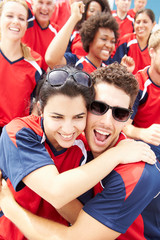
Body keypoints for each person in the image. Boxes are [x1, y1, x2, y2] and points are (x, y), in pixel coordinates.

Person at [0, 63, 159, 240]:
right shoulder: (69, 140)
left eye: (119, 113)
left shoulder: (134, 171)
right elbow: (60, 197)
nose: (106, 122)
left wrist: (9, 207)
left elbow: (76, 230)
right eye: (98, 107)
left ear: (128, 119)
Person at [0, 0, 43, 136]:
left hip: (17, 135)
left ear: (26, 25)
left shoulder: (35, 62)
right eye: (9, 16)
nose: (16, 22)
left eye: (21, 18)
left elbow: (36, 107)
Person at [45, 2, 119, 73]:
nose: (109, 45)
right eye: (104, 39)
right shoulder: (75, 62)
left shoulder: (108, 72)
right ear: (90, 39)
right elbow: (51, 59)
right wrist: (74, 17)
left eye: (112, 41)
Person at [123, 29, 160, 161]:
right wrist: (143, 133)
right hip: (141, 143)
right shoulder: (139, 83)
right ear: (152, 52)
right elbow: (123, 126)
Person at [109, 8, 156, 74]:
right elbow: (113, 67)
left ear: (153, 24)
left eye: (145, 22)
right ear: (134, 24)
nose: (141, 25)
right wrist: (122, 67)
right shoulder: (126, 41)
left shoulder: (155, 45)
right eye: (138, 22)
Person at [22, 0, 59, 71]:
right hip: (23, 73)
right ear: (32, 4)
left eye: (49, 3)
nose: (44, 8)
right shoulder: (25, 20)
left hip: (43, 78)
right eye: (40, 2)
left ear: (54, 7)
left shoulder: (57, 32)